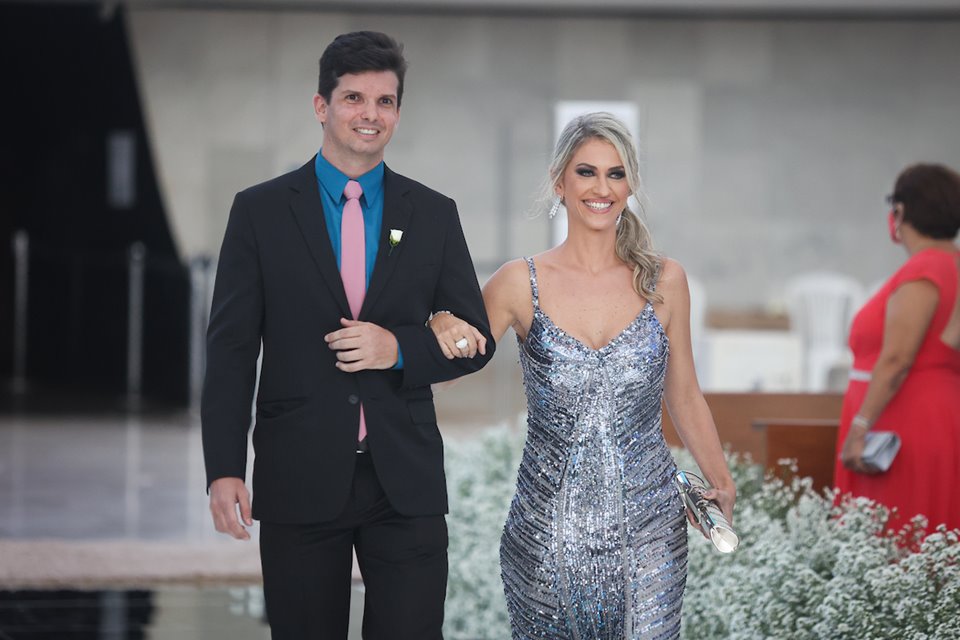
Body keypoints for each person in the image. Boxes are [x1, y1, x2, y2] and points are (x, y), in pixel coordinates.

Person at [201, 31, 495, 640]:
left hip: (404, 482)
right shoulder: (258, 212)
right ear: (321, 106)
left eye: (385, 101)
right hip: (298, 474)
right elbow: (231, 350)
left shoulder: (434, 214)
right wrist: (224, 466)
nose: (370, 114)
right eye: (354, 98)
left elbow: (476, 340)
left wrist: (400, 349)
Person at [430, 113, 735, 639]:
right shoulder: (516, 282)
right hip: (546, 534)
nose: (601, 188)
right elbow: (447, 372)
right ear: (560, 183)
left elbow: (683, 394)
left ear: (630, 184)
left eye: (616, 174)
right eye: (587, 172)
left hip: (651, 530)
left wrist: (721, 480)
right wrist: (438, 321)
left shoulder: (665, 281)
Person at [837, 163, 960, 536]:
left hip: (902, 422)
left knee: (899, 532)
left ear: (901, 211)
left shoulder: (925, 270)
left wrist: (860, 426)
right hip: (931, 412)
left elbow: (896, 359)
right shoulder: (952, 264)